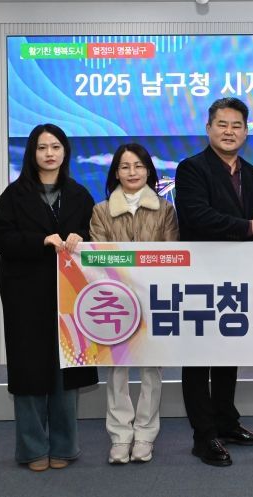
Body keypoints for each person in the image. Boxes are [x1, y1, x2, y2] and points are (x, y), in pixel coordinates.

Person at [0, 123, 98, 471]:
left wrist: (82, 237)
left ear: (65, 152)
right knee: (29, 370)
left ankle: (64, 447)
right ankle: (33, 449)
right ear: (32, 154)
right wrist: (40, 241)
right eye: (41, 147)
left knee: (67, 369)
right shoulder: (15, 194)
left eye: (55, 147)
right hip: (26, 295)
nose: (49, 153)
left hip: (71, 295)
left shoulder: (79, 194)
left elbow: (96, 235)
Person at [174, 97, 253, 466]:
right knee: (198, 359)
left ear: (246, 131)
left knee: (229, 352)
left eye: (237, 125)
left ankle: (227, 422)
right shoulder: (191, 168)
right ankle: (204, 436)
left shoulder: (252, 173)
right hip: (200, 275)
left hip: (236, 276)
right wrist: (248, 227)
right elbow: (197, 217)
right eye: (222, 124)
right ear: (208, 128)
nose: (229, 132)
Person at [89, 143, 179, 464]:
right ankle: (120, 436)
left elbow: (171, 254)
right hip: (115, 300)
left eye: (139, 166)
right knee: (117, 370)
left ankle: (145, 435)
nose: (132, 172)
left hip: (153, 298)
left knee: (152, 370)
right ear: (116, 172)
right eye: (125, 166)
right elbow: (98, 257)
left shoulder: (165, 210)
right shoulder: (101, 210)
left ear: (148, 171)